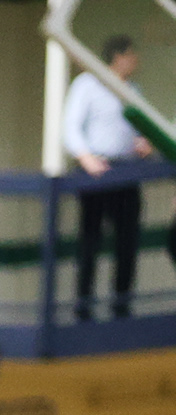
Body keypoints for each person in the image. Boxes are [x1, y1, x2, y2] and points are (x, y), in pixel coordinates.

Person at [65, 36, 153, 320]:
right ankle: (84, 308)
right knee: (90, 240)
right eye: (132, 54)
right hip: (96, 172)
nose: (136, 60)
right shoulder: (87, 85)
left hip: (127, 172)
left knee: (127, 241)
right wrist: (85, 157)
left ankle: (121, 307)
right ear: (118, 57)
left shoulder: (134, 90)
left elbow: (138, 130)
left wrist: (144, 143)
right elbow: (70, 127)